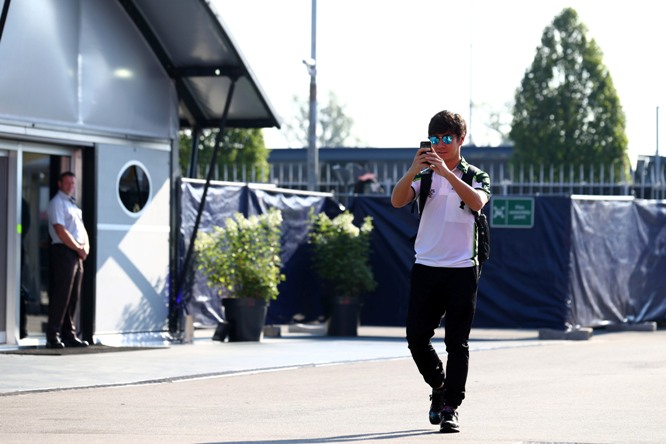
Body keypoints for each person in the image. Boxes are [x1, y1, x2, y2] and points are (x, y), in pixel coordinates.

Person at [390, 110, 491, 433]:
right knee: (416, 337)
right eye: (435, 139)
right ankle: (439, 386)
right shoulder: (425, 176)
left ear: (461, 139)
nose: (441, 144)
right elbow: (396, 200)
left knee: (456, 343)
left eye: (448, 138)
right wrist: (412, 170)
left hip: (462, 269)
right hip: (426, 267)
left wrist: (448, 174)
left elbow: (477, 202)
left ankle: (450, 407)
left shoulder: (475, 175)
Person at [46, 171, 90, 349]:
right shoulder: (57, 203)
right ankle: (53, 335)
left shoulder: (72, 204)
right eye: (67, 183)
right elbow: (60, 231)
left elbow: (81, 229)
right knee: (62, 295)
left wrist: (85, 247)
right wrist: (78, 248)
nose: (71, 185)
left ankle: (69, 334)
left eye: (73, 183)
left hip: (76, 254)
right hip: (64, 252)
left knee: (73, 297)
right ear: (59, 184)